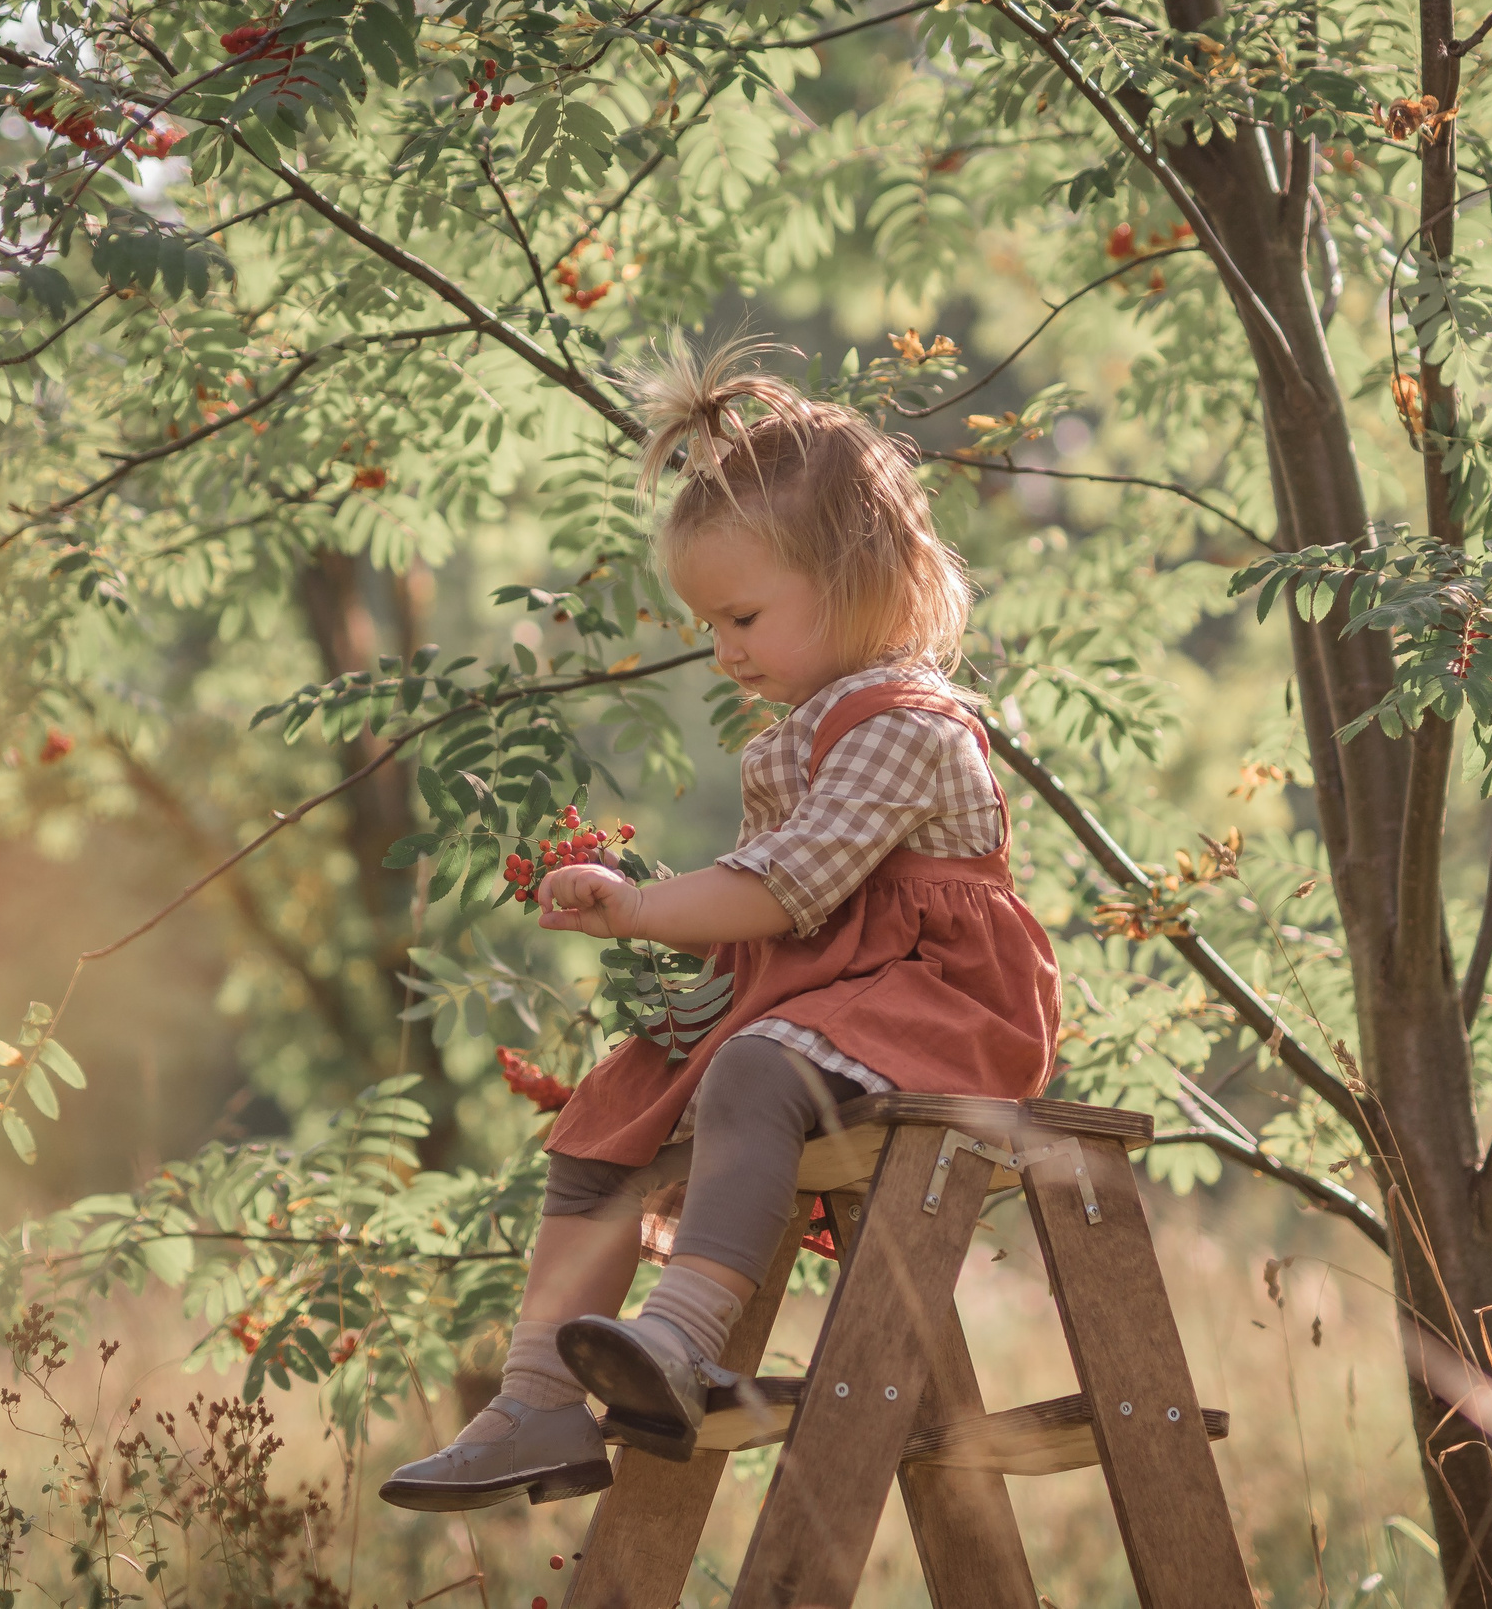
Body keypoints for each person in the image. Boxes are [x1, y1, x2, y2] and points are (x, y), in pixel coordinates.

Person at [378, 337, 1060, 1513]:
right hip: (817, 1005)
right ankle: (537, 1396)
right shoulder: (803, 730)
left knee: (751, 1061)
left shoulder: (909, 727)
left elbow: (786, 891)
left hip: (934, 1010)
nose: (725, 651)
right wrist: (652, 910)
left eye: (743, 617)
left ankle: (684, 1339)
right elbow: (772, 909)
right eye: (712, 625)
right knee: (614, 1102)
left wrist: (641, 908)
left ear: (864, 576)